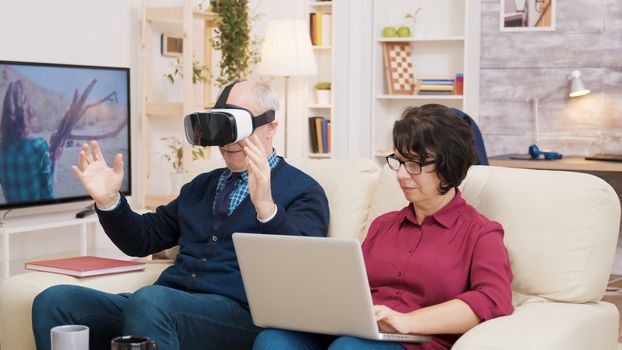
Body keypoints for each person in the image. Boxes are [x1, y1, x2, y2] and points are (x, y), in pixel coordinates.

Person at [31, 80, 330, 350]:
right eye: (221, 127)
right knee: (54, 302)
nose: (227, 142)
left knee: (150, 302)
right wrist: (111, 201)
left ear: (270, 127)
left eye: (237, 125)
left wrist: (266, 206)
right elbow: (142, 238)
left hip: (240, 316)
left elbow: (300, 273)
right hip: (163, 306)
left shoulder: (304, 191)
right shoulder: (202, 186)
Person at [253, 104, 513, 350]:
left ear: (449, 165)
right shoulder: (384, 225)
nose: (401, 174)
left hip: (413, 342)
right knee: (274, 340)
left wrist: (408, 320)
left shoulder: (481, 233)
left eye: (415, 164)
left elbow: (493, 299)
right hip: (358, 332)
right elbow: (351, 288)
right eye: (399, 161)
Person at [0, 79, 54, 203]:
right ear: (28, 110)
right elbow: (50, 195)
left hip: (14, 217)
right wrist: (54, 160)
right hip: (40, 217)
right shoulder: (39, 146)